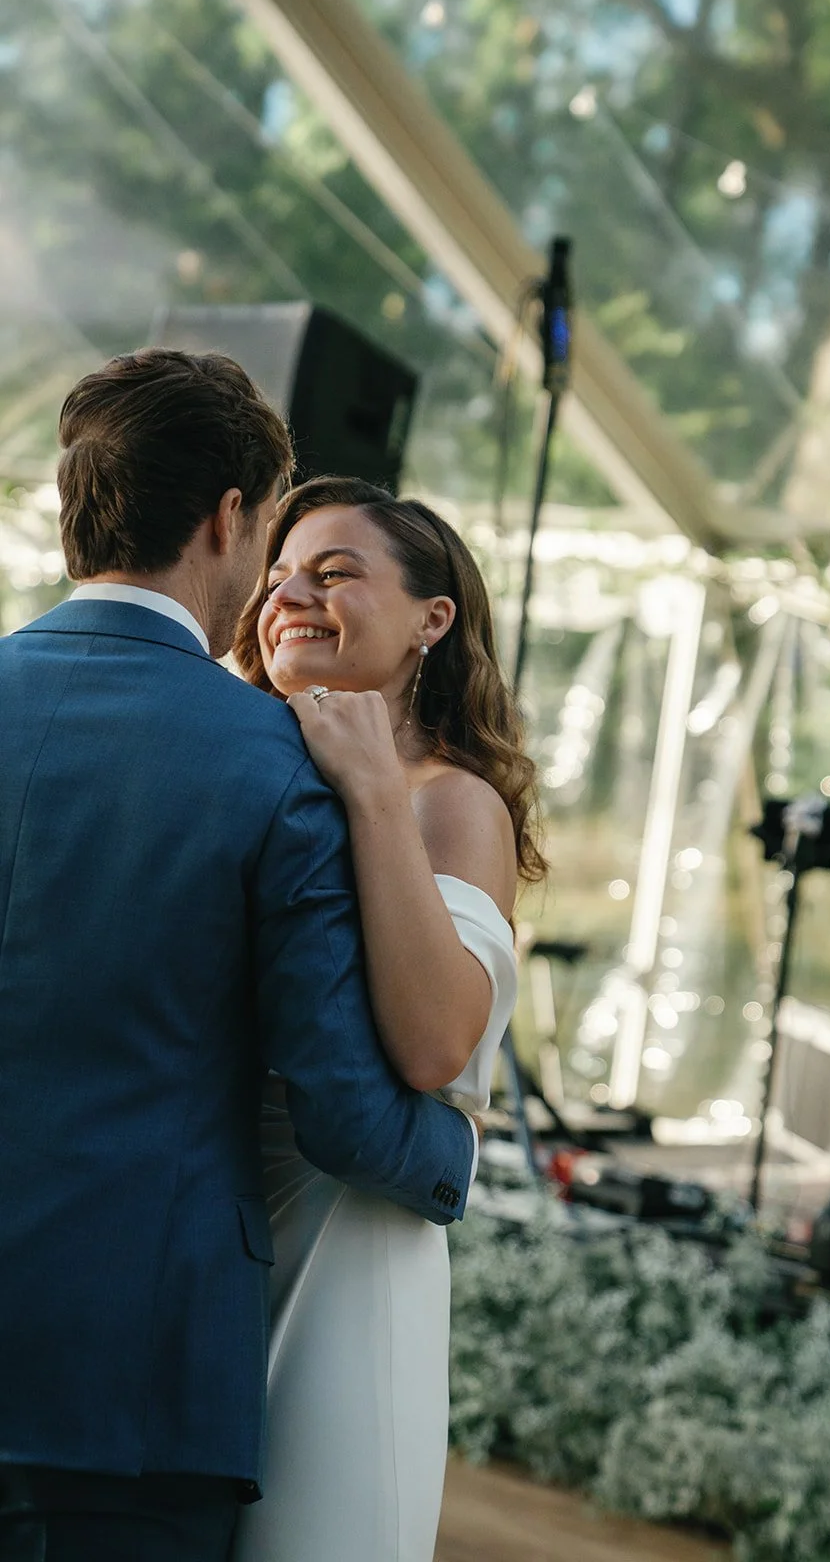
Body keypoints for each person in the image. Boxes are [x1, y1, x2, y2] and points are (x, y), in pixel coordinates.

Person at [0, 352, 476, 1562]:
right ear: (227, 517)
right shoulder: (274, 763)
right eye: (270, 534)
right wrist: (453, 1152)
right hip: (127, 1391)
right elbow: (336, 1103)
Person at [229, 476, 545, 1562]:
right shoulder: (253, 771)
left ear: (431, 619)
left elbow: (431, 1042)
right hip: (215, 1229)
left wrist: (373, 789)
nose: (289, 596)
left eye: (332, 573)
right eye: (275, 576)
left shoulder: (451, 802)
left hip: (347, 1245)